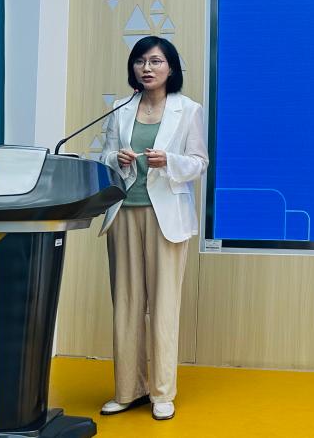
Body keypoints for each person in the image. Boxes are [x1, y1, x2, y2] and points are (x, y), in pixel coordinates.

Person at [97, 36, 208, 421]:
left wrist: (170, 161)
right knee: (127, 304)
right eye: (140, 61)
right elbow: (105, 156)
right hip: (124, 213)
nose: (147, 68)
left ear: (170, 68)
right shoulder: (120, 108)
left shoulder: (188, 110)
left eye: (156, 61)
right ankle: (129, 390)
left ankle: (162, 393)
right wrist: (117, 158)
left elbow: (199, 162)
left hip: (167, 218)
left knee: (163, 306)